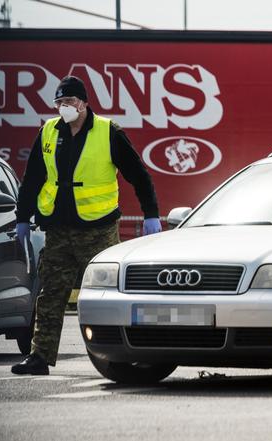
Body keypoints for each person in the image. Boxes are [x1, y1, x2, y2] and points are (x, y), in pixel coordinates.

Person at [11, 76, 163, 375]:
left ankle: (118, 355)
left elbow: (139, 175)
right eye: (59, 103)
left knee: (108, 293)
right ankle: (39, 357)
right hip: (57, 228)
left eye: (69, 102)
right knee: (51, 293)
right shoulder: (48, 132)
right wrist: (21, 217)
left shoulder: (108, 132)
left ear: (84, 104)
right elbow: (32, 179)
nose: (63, 107)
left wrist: (151, 213)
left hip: (97, 229)